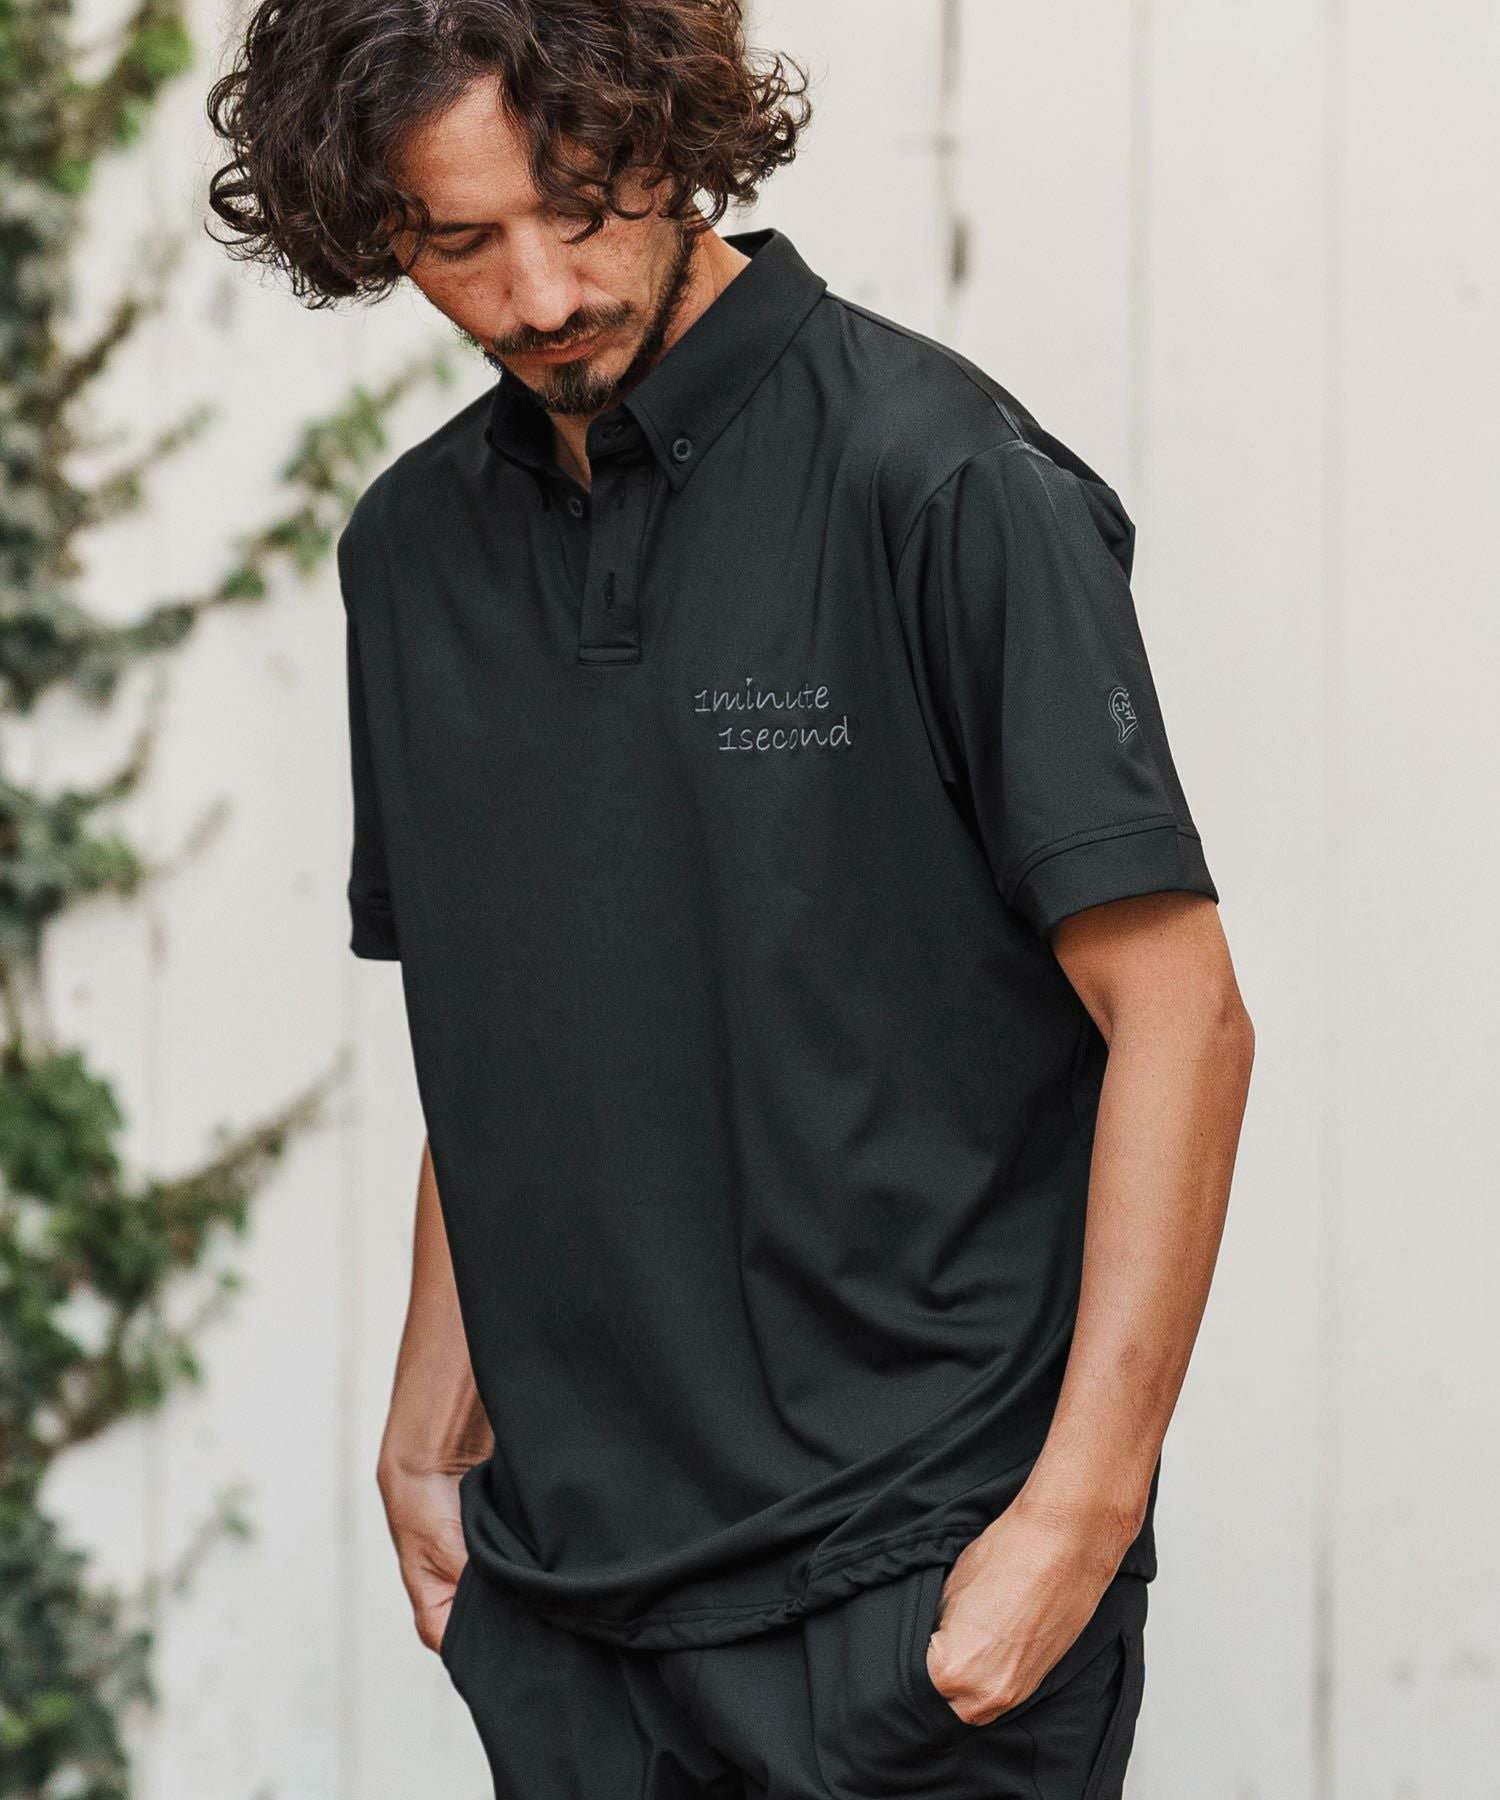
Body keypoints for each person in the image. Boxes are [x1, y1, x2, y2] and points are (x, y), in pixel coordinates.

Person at [207, 3, 1255, 1794]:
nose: (540, 293)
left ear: (673, 138)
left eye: (583, 206)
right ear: (372, 229)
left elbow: (1185, 1016)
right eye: (460, 243)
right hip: (571, 1609)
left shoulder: (939, 474)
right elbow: (513, 1016)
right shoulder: (410, 552)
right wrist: (428, 1413)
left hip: (908, 1587)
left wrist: (1078, 1520)